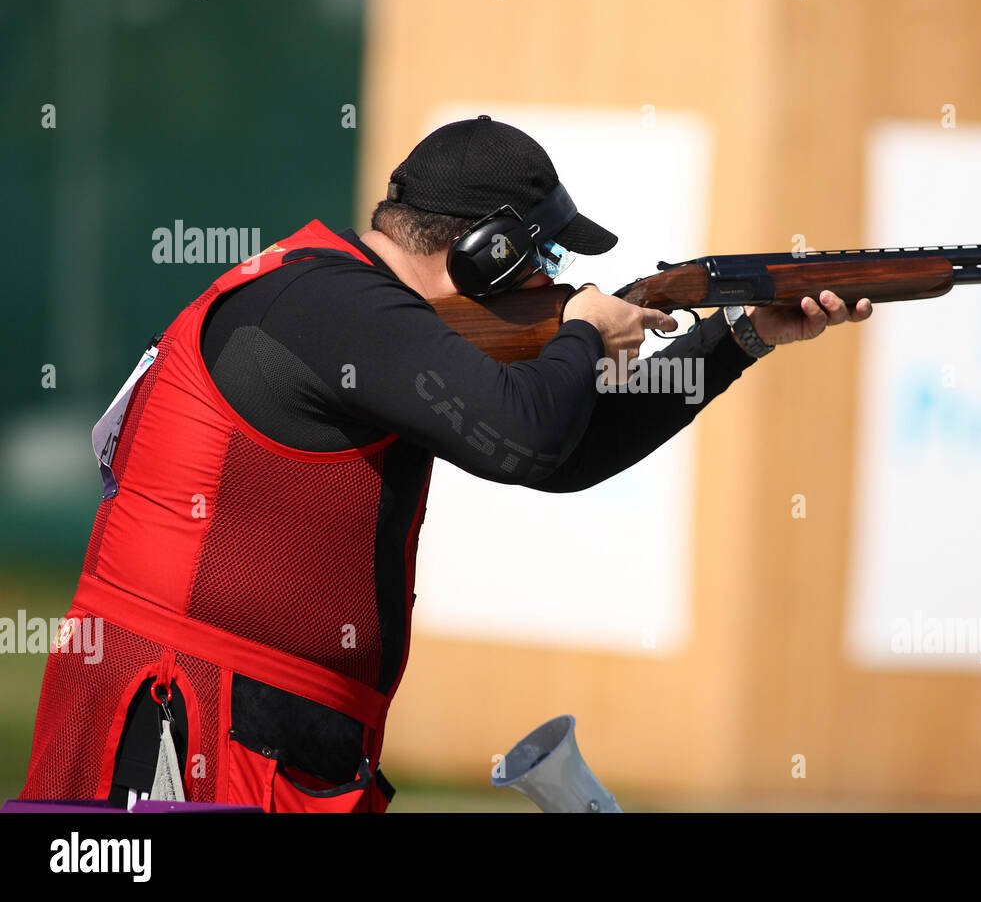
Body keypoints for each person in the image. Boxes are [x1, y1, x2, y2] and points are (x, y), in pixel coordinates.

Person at [20, 115, 871, 812]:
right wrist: (582, 332)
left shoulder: (344, 303)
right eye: (542, 258)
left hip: (258, 731)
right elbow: (526, 435)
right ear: (487, 252)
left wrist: (740, 336)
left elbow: (558, 456)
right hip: (190, 728)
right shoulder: (335, 303)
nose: (550, 280)